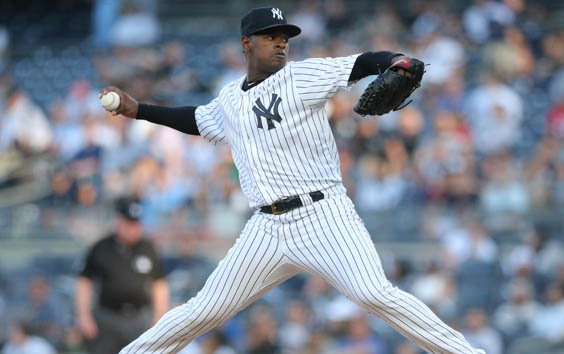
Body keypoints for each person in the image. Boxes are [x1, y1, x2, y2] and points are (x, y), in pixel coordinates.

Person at [103, 7, 485, 354]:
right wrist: (139, 110)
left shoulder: (301, 76)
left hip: (323, 215)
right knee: (203, 311)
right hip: (266, 228)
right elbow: (196, 119)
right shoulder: (230, 100)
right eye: (271, 36)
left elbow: (361, 63)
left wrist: (396, 61)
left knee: (373, 294)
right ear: (246, 44)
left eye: (284, 36)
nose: (281, 43)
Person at [75, 196, 169, 354]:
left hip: (140, 319)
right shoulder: (101, 248)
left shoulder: (148, 249)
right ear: (119, 220)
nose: (133, 228)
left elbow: (159, 285)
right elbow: (85, 282)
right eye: (129, 223)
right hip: (108, 318)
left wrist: (159, 318)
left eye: (136, 224)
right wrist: (84, 315)